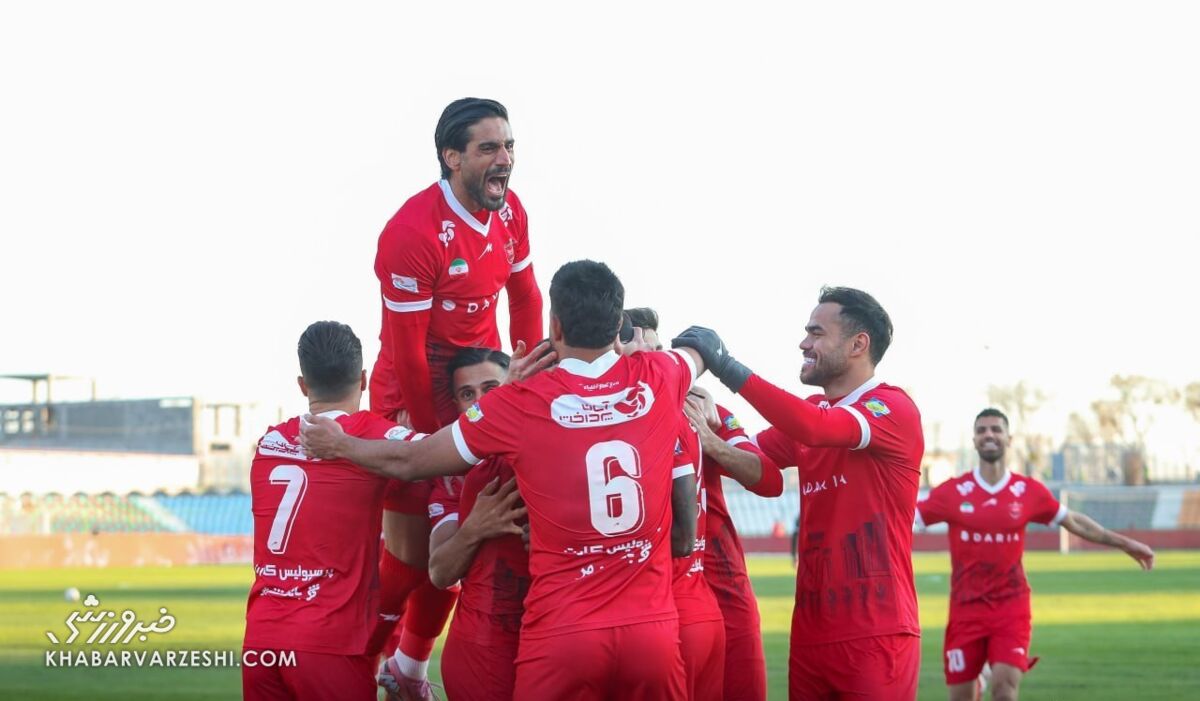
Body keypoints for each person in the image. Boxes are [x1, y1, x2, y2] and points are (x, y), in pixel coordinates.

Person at [302, 260, 706, 700]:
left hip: (563, 634)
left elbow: (412, 461)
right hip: (651, 635)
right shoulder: (660, 374)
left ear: (555, 325)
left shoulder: (517, 403)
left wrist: (341, 445)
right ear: (617, 328)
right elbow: (702, 347)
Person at [368, 97, 545, 698]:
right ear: (452, 158)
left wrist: (523, 379)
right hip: (412, 394)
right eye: (489, 148)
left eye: (509, 145)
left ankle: (409, 669)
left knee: (467, 540)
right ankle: (357, 655)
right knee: (412, 557)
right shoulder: (412, 233)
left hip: (479, 386)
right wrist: (432, 441)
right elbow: (410, 354)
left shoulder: (511, 211)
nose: (506, 159)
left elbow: (526, 297)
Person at [673, 286, 924, 700]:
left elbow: (814, 429)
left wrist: (727, 367)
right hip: (811, 634)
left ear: (858, 344)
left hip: (877, 630)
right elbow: (757, 465)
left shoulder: (891, 408)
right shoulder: (815, 411)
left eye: (816, 333)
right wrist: (712, 425)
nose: (804, 343)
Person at [916, 408, 1155, 701]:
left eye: (996, 429)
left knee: (1005, 689)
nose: (989, 435)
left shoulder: (1027, 491)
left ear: (1009, 438)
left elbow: (1073, 520)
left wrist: (1125, 543)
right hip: (965, 610)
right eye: (982, 430)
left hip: (1010, 607)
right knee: (961, 697)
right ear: (974, 440)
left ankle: (991, 673)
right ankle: (978, 677)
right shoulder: (952, 492)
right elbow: (906, 518)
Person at [242, 321, 423, 701]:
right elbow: (436, 456)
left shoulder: (269, 442)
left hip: (262, 640)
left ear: (303, 385)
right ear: (364, 380)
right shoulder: (374, 436)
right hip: (329, 642)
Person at [627, 307, 780, 701]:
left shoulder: (702, 409)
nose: (654, 362)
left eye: (659, 352)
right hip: (645, 597)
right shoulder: (601, 419)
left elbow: (769, 479)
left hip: (722, 586)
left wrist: (711, 443)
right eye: (642, 353)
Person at [415, 347, 530, 701]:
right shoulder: (452, 478)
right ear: (457, 405)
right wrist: (475, 527)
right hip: (482, 652)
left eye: (491, 388)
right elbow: (439, 572)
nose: (481, 401)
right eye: (468, 394)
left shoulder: (544, 445)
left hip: (556, 640)